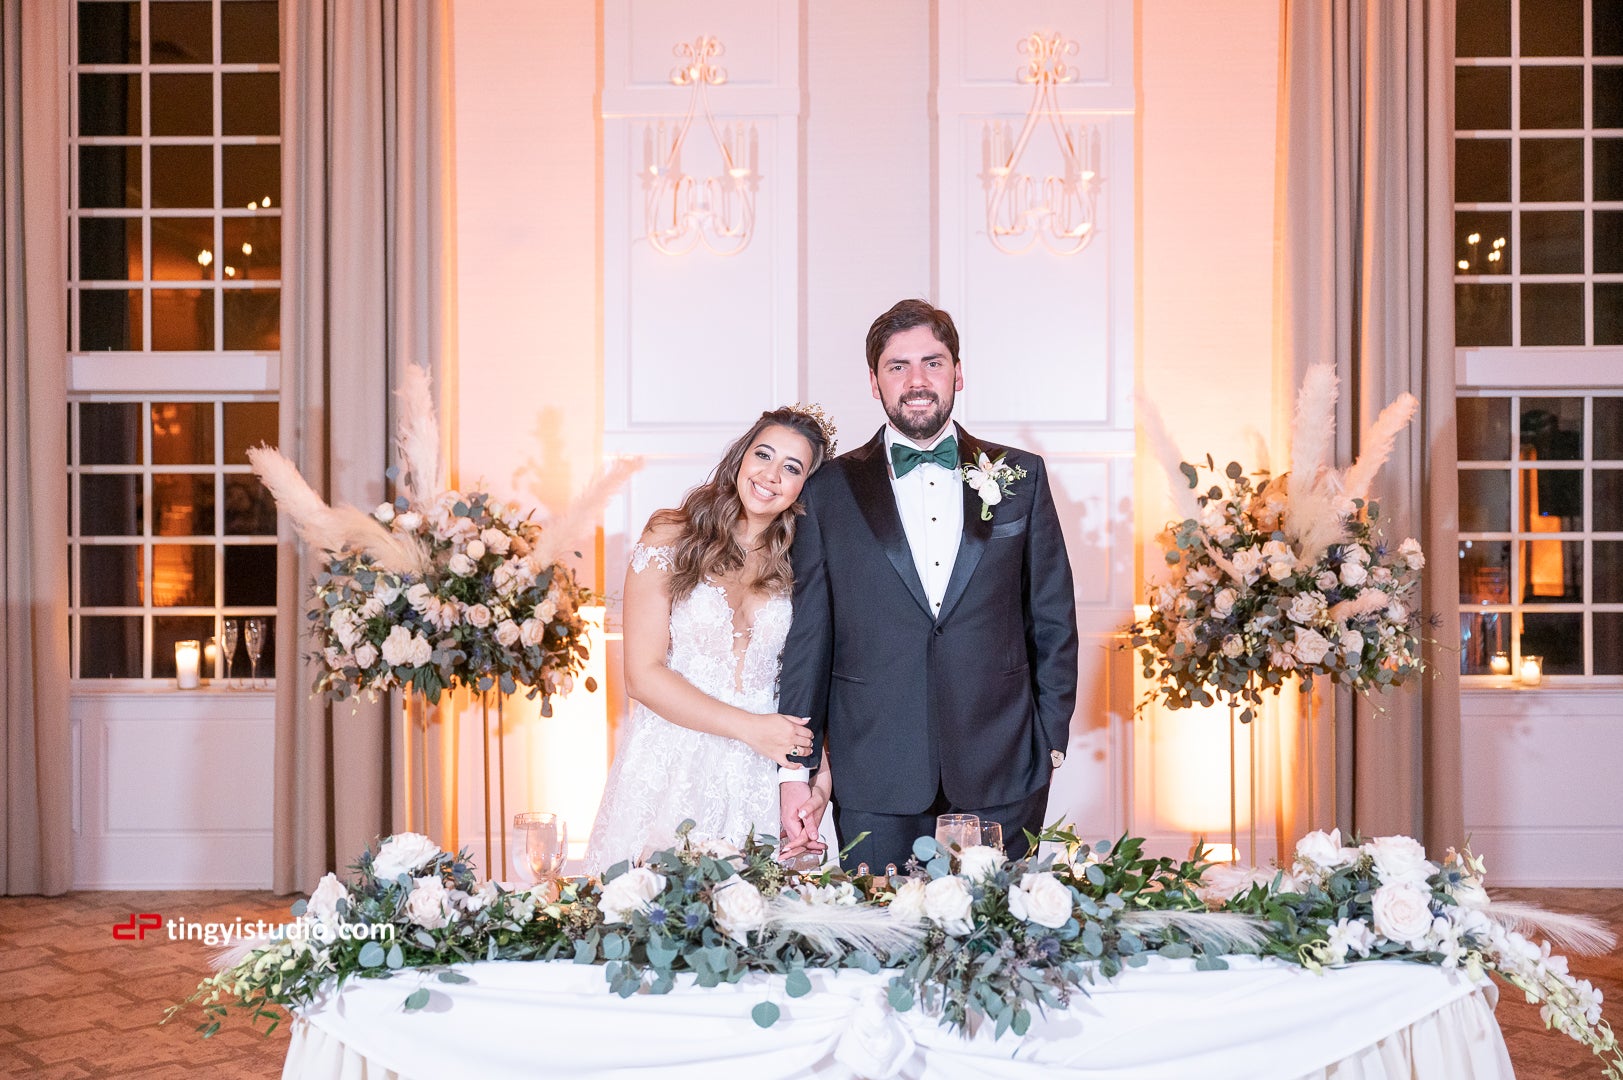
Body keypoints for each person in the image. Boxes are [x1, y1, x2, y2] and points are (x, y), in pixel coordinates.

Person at [777, 299, 1078, 872]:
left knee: (1002, 925)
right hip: (874, 769)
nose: (916, 381)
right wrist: (797, 768)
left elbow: (1053, 618)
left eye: (932, 363)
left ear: (958, 373)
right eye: (898, 366)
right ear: (874, 382)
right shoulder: (826, 490)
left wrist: (1050, 741)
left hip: (1004, 765)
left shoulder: (1022, 477)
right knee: (881, 925)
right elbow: (809, 638)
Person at [584, 406, 838, 873]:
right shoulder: (671, 535)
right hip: (673, 760)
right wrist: (751, 729)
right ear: (741, 457)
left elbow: (818, 676)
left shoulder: (804, 561)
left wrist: (817, 781)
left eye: (791, 467)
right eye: (763, 455)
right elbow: (641, 676)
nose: (770, 475)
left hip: (766, 773)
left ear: (806, 486)